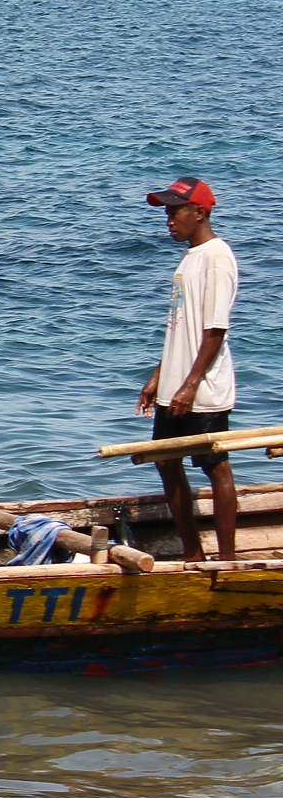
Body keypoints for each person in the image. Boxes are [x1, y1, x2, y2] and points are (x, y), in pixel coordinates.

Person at [137, 176, 239, 561]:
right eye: (166, 212)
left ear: (199, 212)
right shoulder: (189, 258)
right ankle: (193, 552)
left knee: (214, 464)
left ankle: (227, 559)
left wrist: (191, 384)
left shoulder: (217, 256)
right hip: (176, 385)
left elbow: (215, 329)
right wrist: (159, 377)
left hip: (204, 387)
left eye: (175, 211)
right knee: (166, 462)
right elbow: (182, 330)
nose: (168, 220)